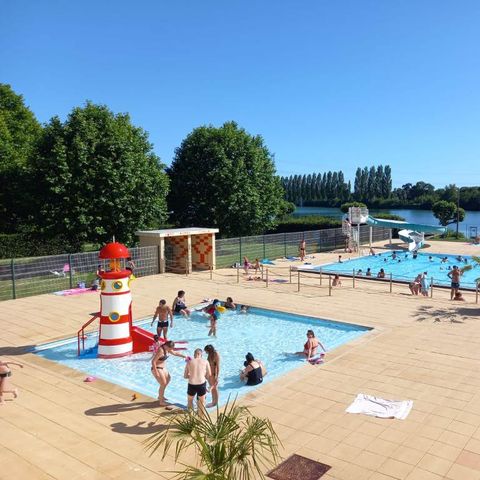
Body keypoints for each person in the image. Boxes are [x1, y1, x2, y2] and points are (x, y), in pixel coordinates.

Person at [151, 340, 187, 406]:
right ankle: (161, 401)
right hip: (157, 368)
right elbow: (153, 361)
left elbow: (175, 353)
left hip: (162, 368)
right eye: (170, 348)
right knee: (163, 383)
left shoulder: (167, 349)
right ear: (167, 346)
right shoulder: (161, 350)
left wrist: (184, 356)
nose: (171, 350)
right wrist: (156, 372)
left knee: (168, 379)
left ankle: (160, 396)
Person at [184, 348, 212, 415]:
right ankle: (200, 420)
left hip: (191, 384)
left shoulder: (189, 362)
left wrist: (192, 375)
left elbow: (185, 376)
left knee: (190, 401)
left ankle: (190, 418)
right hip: (201, 384)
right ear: (200, 354)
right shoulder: (205, 361)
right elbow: (209, 375)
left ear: (195, 354)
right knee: (201, 403)